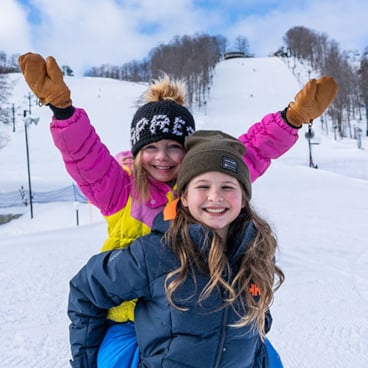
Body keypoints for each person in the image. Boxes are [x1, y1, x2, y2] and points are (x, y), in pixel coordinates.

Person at [18, 53, 338, 367]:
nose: (163, 157)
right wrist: (62, 110)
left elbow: (250, 151)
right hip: (130, 316)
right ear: (138, 150)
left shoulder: (203, 185)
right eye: (151, 148)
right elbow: (84, 155)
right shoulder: (120, 189)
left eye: (174, 147)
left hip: (195, 308)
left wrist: (291, 118)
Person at [68, 130, 285, 368]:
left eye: (227, 187)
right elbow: (87, 289)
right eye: (202, 186)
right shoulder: (157, 253)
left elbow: (257, 321)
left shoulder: (255, 250)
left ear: (243, 198)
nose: (215, 196)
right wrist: (85, 363)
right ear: (183, 197)